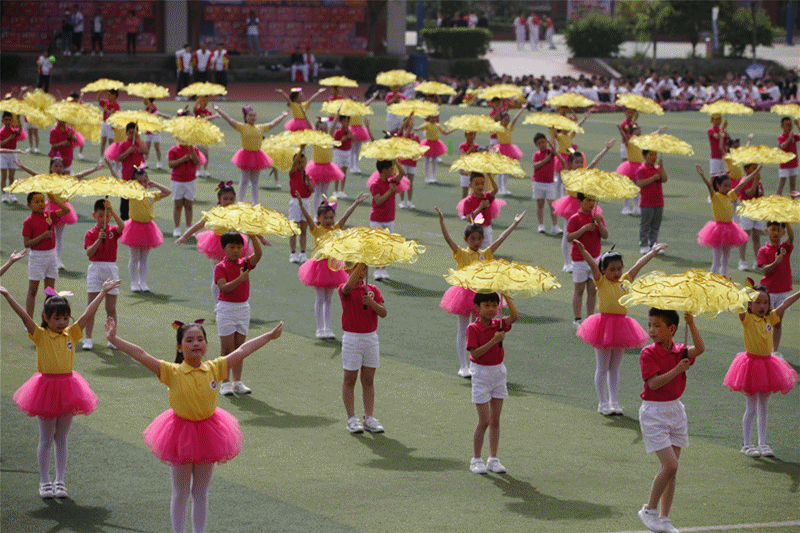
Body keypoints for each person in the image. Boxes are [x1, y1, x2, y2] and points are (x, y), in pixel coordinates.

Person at [105, 318, 283, 533]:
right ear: (179, 347)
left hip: (209, 434)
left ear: (206, 344)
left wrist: (269, 336)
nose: (196, 343)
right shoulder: (171, 371)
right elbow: (141, 354)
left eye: (200, 339)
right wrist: (113, 338)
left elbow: (243, 349)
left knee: (200, 493)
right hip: (179, 434)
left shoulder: (216, 367)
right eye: (189, 340)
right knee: (180, 493)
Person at [1, 279, 119, 499]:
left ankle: (60, 480)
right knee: (46, 438)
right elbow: (24, 317)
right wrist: (8, 296)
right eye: (57, 318)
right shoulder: (40, 334)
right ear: (46, 318)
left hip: (69, 388)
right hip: (44, 389)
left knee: (62, 438)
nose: (62, 322)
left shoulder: (71, 334)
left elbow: (86, 315)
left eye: (65, 317)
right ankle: (45, 481)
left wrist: (102, 292)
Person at [575, 242, 665, 415]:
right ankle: (602, 403)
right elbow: (593, 264)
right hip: (602, 326)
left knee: (614, 368)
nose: (616, 273)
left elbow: (638, 265)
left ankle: (614, 402)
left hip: (622, 326)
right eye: (612, 269)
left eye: (619, 269)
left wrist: (653, 252)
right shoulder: (600, 281)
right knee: (602, 367)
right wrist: (583, 250)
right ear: (603, 270)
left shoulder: (625, 280)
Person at [437, 207, 525, 377]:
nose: (476, 242)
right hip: (463, 294)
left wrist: (514, 223)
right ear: (466, 239)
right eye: (473, 239)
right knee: (463, 330)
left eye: (479, 238)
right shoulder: (461, 254)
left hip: (482, 295)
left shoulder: (486, 254)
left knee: (476, 327)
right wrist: (442, 220)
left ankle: (473, 362)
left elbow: (501, 238)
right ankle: (463, 365)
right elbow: (448, 239)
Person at [637, 308, 704, 533]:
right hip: (654, 412)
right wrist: (678, 369)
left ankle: (665, 519)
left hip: (676, 410)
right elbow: (654, 384)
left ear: (672, 329)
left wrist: (692, 323)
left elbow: (700, 349)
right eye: (650, 325)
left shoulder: (680, 350)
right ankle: (649, 509)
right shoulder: (648, 353)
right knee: (670, 465)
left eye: (657, 326)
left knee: (672, 470)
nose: (652, 330)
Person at [723, 284, 799, 458]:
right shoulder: (747, 318)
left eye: (766, 302)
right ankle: (747, 444)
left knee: (763, 406)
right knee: (751, 407)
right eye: (758, 302)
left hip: (767, 365)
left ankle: (762, 443)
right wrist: (736, 292)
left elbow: (785, 303)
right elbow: (738, 305)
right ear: (750, 305)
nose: (763, 306)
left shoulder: (770, 318)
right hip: (750, 365)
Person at [297, 192, 367, 338]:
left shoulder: (336, 228)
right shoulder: (316, 229)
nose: (329, 220)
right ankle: (319, 328)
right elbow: (308, 218)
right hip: (319, 267)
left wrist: (355, 203)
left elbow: (345, 216)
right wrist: (301, 204)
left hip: (333, 266)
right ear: (319, 218)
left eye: (331, 217)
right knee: (320, 298)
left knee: (329, 299)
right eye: (325, 218)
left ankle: (327, 328)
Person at [16, 158, 105, 269]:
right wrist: (23, 167)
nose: (58, 169)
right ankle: (50, 258)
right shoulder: (48, 179)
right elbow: (35, 174)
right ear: (50, 168)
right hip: (50, 209)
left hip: (63, 209)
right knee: (50, 234)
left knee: (59, 236)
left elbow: (80, 175)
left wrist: (94, 169)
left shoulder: (66, 179)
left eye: (61, 166)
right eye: (56, 166)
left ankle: (57, 260)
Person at [467, 291, 518, 474]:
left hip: (498, 372)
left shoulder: (500, 323)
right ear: (477, 308)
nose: (490, 309)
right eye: (486, 305)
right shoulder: (473, 328)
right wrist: (494, 340)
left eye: (494, 305)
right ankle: (476, 459)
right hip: (481, 374)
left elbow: (515, 316)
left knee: (495, 419)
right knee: (484, 420)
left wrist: (506, 295)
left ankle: (493, 458)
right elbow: (475, 354)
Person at [213, 231, 262, 396]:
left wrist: (253, 237)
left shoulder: (244, 263)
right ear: (224, 249)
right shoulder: (220, 267)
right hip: (226, 309)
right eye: (232, 247)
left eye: (239, 247)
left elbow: (259, 255)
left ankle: (237, 381)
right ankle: (225, 382)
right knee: (227, 348)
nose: (236, 250)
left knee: (240, 348)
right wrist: (241, 279)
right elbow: (224, 288)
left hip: (243, 308)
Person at [552, 142, 614, 272]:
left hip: (585, 204)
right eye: (576, 162)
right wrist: (555, 151)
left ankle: (587, 259)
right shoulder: (567, 174)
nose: (580, 165)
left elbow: (595, 160)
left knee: (587, 234)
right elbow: (562, 162)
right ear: (571, 164)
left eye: (581, 162)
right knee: (567, 234)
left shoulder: (585, 173)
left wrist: (606, 148)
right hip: (570, 205)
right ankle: (567, 263)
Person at [340, 263, 387, 434]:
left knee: (368, 380)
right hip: (352, 339)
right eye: (357, 269)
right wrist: (360, 262)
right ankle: (352, 418)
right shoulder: (345, 289)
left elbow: (383, 313)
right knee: (350, 379)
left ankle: (369, 418)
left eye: (364, 270)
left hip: (371, 338)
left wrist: (372, 303)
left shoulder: (373, 289)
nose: (361, 273)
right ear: (347, 270)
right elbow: (347, 288)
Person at [214, 104, 286, 205]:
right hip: (246, 156)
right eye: (250, 116)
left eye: (254, 115)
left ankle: (255, 202)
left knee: (255, 181)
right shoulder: (242, 127)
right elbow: (229, 120)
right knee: (244, 180)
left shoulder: (260, 127)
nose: (252, 117)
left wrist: (282, 116)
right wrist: (219, 110)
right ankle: (241, 201)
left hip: (257, 156)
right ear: (245, 118)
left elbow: (273, 123)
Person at [695, 165, 757, 276]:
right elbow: (709, 186)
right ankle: (712, 280)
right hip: (717, 230)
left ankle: (723, 279)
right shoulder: (715, 196)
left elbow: (742, 184)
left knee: (726, 259)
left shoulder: (730, 195)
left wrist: (755, 172)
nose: (728, 188)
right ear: (718, 186)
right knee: (717, 259)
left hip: (730, 229)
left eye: (729, 186)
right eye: (725, 186)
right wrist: (703, 175)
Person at [82, 199, 124, 350]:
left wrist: (112, 211)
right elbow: (89, 252)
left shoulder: (113, 230)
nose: (103, 219)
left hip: (111, 269)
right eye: (100, 216)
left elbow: (122, 226)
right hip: (95, 269)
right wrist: (99, 239)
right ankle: (88, 338)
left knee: (110, 308)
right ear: (94, 215)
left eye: (106, 216)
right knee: (91, 306)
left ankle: (112, 338)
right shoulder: (91, 233)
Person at [120, 168, 171, 292]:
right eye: (139, 181)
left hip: (148, 227)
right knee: (134, 256)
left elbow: (168, 191)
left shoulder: (151, 195)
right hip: (134, 227)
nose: (143, 184)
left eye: (145, 180)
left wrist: (154, 184)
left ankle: (142, 282)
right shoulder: (132, 193)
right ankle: (133, 282)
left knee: (144, 257)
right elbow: (121, 187)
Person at [22, 191, 68, 318]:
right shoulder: (28, 221)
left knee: (50, 291)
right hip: (37, 257)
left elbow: (66, 210)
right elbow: (27, 244)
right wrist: (43, 236)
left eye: (42, 201)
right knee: (33, 290)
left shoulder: (49, 215)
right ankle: (29, 320)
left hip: (51, 255)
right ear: (29, 205)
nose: (41, 204)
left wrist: (54, 199)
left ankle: (47, 319)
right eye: (36, 202)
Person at [566, 192, 608, 329]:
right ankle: (577, 319)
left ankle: (590, 319)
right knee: (579, 289)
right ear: (580, 201)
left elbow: (605, 235)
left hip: (595, 258)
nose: (591, 203)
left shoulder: (597, 217)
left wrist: (599, 224)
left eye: (593, 200)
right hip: (579, 259)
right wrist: (584, 229)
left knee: (592, 290)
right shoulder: (575, 218)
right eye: (588, 200)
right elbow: (569, 237)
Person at [756, 221, 794, 355]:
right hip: (769, 292)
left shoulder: (784, 247)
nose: (776, 233)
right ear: (767, 231)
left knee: (777, 322)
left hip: (783, 291)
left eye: (779, 230)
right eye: (773, 229)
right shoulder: (763, 250)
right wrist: (776, 261)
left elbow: (791, 238)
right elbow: (764, 269)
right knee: (765, 321)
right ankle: (762, 348)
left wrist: (787, 222)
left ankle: (775, 351)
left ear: (782, 232)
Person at [368, 160, 408, 280]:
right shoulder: (375, 184)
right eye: (391, 169)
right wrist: (390, 191)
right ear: (384, 170)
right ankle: (377, 270)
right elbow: (379, 200)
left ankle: (383, 269)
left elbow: (402, 172)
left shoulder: (392, 181)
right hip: (377, 219)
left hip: (389, 218)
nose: (393, 171)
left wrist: (395, 161)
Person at [104, 121, 144, 220]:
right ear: (126, 133)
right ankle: (125, 221)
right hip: (127, 176)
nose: (132, 134)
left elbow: (145, 150)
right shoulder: (123, 144)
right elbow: (120, 158)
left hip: (139, 177)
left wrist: (138, 139)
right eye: (130, 132)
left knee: (138, 201)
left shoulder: (139, 143)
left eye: (134, 132)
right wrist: (129, 151)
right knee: (125, 203)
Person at [457, 172, 504, 247]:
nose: (480, 186)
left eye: (482, 183)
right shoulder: (468, 201)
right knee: (472, 254)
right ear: (471, 185)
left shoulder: (486, 196)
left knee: (485, 253)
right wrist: (479, 208)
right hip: (473, 229)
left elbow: (495, 189)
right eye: (477, 184)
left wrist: (490, 176)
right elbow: (469, 218)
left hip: (486, 229)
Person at [531, 132, 566, 234]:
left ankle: (555, 226)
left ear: (546, 142)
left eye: (543, 142)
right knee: (540, 204)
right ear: (536, 145)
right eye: (539, 143)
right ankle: (541, 225)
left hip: (549, 183)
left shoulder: (551, 152)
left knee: (552, 205)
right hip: (538, 182)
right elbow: (535, 166)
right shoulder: (536, 154)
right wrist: (545, 160)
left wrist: (554, 151)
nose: (542, 144)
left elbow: (561, 159)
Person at [306, 117, 344, 210]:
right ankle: (315, 214)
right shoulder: (315, 138)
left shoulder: (329, 137)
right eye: (320, 129)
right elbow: (310, 127)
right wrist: (304, 115)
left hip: (327, 168)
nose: (323, 131)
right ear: (317, 130)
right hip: (316, 168)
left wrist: (337, 114)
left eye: (324, 129)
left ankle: (324, 211)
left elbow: (333, 126)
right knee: (317, 192)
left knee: (325, 192)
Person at [635, 150, 668, 255]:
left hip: (658, 202)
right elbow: (640, 183)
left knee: (655, 225)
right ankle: (644, 245)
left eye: (655, 155)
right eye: (650, 155)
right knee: (645, 225)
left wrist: (661, 167)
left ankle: (653, 244)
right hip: (646, 202)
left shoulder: (658, 168)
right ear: (644, 156)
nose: (654, 157)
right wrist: (653, 178)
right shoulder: (641, 169)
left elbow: (665, 179)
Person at [167, 140, 202, 238]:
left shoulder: (194, 149)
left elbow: (197, 162)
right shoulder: (173, 150)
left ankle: (188, 228)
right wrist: (183, 159)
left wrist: (192, 151)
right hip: (177, 180)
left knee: (189, 205)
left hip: (190, 180)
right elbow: (171, 164)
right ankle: (177, 228)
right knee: (178, 205)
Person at [493, 109, 524, 195]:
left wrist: (522, 109)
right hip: (500, 149)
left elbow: (515, 118)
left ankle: (504, 188)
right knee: (500, 170)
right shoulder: (498, 127)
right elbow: (494, 119)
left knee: (506, 170)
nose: (507, 121)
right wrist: (498, 111)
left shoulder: (509, 127)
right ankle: (500, 189)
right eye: (505, 119)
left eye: (508, 120)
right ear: (501, 120)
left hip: (509, 149)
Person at [288, 151, 312, 263]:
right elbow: (293, 167)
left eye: (303, 162)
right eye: (299, 162)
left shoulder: (307, 175)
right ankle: (293, 253)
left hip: (306, 202)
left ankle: (302, 253)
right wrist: (302, 148)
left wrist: (308, 181)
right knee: (294, 229)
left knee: (303, 229)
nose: (301, 165)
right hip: (295, 202)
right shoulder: (293, 173)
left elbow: (312, 190)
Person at [416, 114, 450, 185]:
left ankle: (433, 177)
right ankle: (427, 177)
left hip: (435, 144)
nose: (434, 119)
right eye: (432, 117)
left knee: (434, 161)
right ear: (429, 118)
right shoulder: (427, 124)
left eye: (435, 118)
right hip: (428, 143)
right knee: (427, 160)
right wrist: (415, 128)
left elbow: (444, 132)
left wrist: (451, 130)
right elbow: (419, 128)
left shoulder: (438, 125)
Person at [1, 112, 24, 203]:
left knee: (11, 177)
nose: (8, 121)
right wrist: (10, 138)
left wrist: (18, 119)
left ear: (12, 121)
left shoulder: (13, 130)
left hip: (13, 154)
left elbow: (20, 130)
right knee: (3, 177)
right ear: (2, 121)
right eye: (6, 120)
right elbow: (1, 144)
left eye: (9, 119)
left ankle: (11, 194)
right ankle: (4, 195)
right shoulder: (1, 132)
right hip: (4, 154)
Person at [142, 98, 170, 170]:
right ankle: (146, 161)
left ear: (148, 100)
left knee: (156, 147)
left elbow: (155, 114)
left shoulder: (153, 107)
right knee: (147, 147)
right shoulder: (147, 109)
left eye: (145, 100)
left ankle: (159, 162)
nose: (143, 101)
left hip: (155, 131)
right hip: (148, 130)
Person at [777, 116, 799, 195]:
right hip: (784, 164)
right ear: (782, 126)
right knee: (781, 184)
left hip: (793, 163)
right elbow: (782, 146)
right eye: (787, 125)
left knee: (792, 185)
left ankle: (792, 203)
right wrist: (789, 138)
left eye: (790, 125)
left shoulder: (794, 135)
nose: (789, 127)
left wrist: (798, 125)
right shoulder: (781, 137)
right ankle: (777, 202)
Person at [98, 89, 120, 164]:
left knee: (111, 142)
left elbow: (115, 115)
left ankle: (111, 157)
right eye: (107, 95)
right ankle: (101, 157)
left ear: (114, 96)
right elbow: (98, 99)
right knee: (103, 141)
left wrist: (108, 112)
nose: (108, 96)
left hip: (111, 124)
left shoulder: (116, 105)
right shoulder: (105, 102)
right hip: (104, 123)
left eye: (109, 95)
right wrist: (101, 91)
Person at [458, 131, 480, 199]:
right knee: (465, 192)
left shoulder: (476, 146)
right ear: (465, 135)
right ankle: (463, 208)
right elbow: (463, 157)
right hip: (465, 169)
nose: (472, 137)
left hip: (473, 169)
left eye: (474, 135)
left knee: (475, 191)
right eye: (470, 134)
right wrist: (470, 151)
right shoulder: (463, 145)